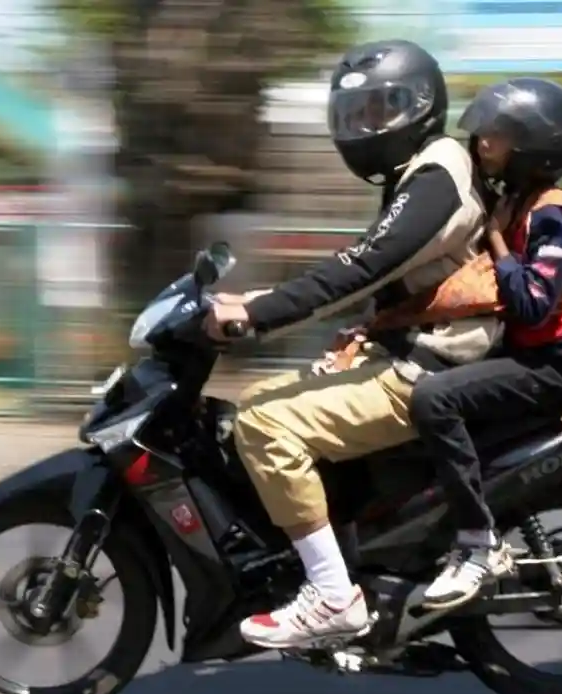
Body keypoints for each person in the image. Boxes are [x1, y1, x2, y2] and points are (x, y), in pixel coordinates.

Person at [202, 39, 501, 650]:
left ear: (420, 106)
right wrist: (260, 297)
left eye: (381, 109)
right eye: (356, 113)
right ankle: (343, 550)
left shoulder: (438, 176)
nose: (365, 125)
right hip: (411, 351)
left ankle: (334, 597)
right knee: (254, 400)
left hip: (433, 365)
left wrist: (257, 313)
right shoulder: (421, 171)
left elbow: (362, 267)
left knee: (264, 424)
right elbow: (378, 270)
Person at [411, 77, 562, 609]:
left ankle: (477, 543)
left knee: (434, 398)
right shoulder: (518, 201)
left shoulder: (551, 210)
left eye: (501, 135)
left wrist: (495, 237)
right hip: (522, 356)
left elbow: (534, 302)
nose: (485, 141)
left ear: (535, 149)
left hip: (550, 365)